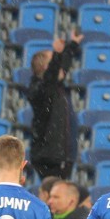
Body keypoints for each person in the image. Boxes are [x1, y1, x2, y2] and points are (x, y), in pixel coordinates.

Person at [29, 31, 84, 180]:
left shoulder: (55, 86)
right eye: (54, 62)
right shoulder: (41, 90)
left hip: (62, 155)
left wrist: (71, 46)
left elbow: (60, 69)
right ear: (46, 68)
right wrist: (57, 54)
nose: (61, 68)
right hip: (50, 157)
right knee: (53, 195)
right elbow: (50, 79)